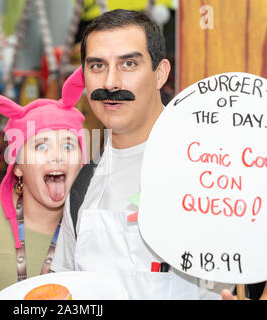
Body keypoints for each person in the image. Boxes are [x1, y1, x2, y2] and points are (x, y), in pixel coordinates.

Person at [51, 9, 236, 299]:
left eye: (128, 64)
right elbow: (65, 291)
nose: (110, 82)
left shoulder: (210, 168)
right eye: (97, 66)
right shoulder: (83, 185)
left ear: (160, 73)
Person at [0, 67, 87, 298]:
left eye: (68, 145)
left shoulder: (92, 231)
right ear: (17, 167)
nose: (57, 156)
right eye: (41, 146)